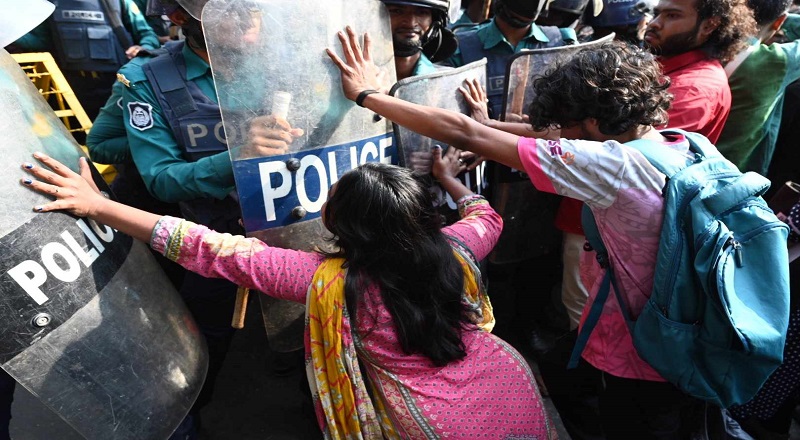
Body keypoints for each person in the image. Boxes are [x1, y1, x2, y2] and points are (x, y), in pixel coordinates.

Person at [20, 144, 556, 438]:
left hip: (430, 419)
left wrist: (100, 207)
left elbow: (209, 248)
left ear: (340, 225)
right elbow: (486, 215)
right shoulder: (460, 247)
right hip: (506, 386)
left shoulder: (331, 282)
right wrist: (451, 178)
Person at [325, 27, 705, 438]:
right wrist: (493, 123)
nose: (560, 136)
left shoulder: (612, 167)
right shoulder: (678, 143)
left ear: (594, 123)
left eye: (569, 127)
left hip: (642, 351)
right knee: (570, 374)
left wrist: (367, 96)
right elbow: (549, 138)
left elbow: (465, 134)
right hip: (679, 326)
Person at [119, 0, 300, 436]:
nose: (247, 25)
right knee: (204, 347)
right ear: (180, 17)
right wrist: (236, 158)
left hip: (294, 229)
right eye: (226, 13)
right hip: (212, 243)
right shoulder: (146, 81)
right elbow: (161, 179)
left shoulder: (286, 63)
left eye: (251, 11)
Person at [8, 0, 161, 122]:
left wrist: (142, 49)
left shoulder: (118, 2)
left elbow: (148, 35)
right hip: (70, 89)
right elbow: (40, 42)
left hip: (116, 85)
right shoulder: (47, 5)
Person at [644, 0, 757, 142]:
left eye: (672, 16)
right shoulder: (666, 62)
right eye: (656, 14)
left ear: (708, 26)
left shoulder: (694, 89)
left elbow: (629, 149)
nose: (654, 23)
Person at [715, 0, 800, 174]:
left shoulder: (704, 39)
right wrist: (783, 18)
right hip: (730, 172)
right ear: (779, 22)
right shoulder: (776, 61)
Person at [382, 0, 458, 80]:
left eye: (422, 12)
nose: (411, 23)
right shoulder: (367, 79)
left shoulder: (449, 82)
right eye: (397, 11)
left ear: (435, 21)